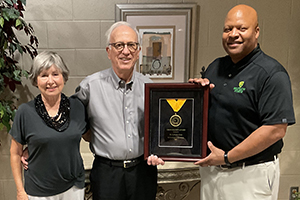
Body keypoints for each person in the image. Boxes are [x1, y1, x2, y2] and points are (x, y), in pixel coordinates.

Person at [189, 4, 295, 200]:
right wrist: (194, 93)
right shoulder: (215, 67)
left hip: (248, 175)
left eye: (241, 28)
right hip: (212, 172)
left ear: (256, 32)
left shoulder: (271, 73)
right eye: (228, 29)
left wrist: (228, 157)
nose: (233, 34)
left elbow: (275, 129)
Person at [74, 21, 165, 200]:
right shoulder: (90, 86)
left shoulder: (150, 87)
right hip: (107, 174)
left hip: (143, 171)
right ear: (109, 51)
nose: (126, 51)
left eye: (131, 45)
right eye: (119, 45)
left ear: (138, 51)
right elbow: (69, 120)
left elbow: (161, 126)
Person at [10, 51, 89, 200]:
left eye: (55, 74)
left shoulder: (77, 107)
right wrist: (20, 191)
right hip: (38, 190)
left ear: (63, 77)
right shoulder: (25, 112)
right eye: (44, 75)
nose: (50, 81)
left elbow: (89, 135)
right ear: (36, 80)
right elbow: (15, 153)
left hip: (73, 187)